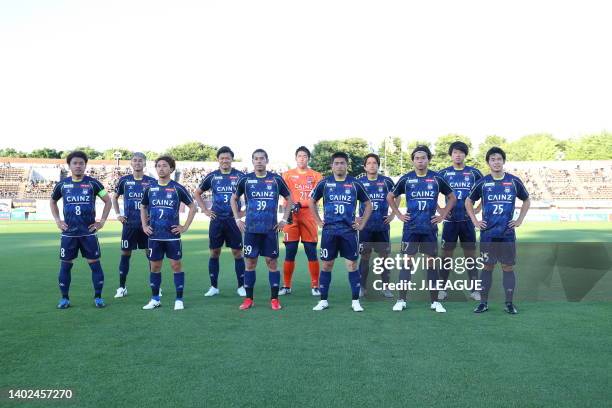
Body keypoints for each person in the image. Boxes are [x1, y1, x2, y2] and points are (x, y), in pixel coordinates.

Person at [387, 145, 456, 313]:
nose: (420, 161)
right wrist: (398, 214)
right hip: (410, 228)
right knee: (407, 263)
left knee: (431, 264)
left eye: (423, 158)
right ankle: (401, 299)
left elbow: (452, 197)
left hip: (429, 229)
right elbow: (391, 196)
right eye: (417, 158)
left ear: (428, 160)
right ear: (413, 161)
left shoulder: (436, 178)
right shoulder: (406, 179)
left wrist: (442, 215)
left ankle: (435, 302)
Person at [465, 147, 531, 314]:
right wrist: (475, 221)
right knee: (487, 267)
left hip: (507, 234)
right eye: (492, 159)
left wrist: (520, 220)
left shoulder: (513, 181)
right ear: (488, 163)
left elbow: (526, 200)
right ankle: (483, 303)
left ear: (503, 161)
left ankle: (509, 303)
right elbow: (468, 202)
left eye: (499, 159)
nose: (496, 162)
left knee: (507, 268)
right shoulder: (483, 182)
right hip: (488, 235)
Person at [309, 152, 372, 312]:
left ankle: (355, 301)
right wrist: (318, 221)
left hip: (348, 233)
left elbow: (368, 204)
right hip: (329, 232)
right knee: (327, 264)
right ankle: (323, 300)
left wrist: (362, 223)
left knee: (352, 265)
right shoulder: (325, 183)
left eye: (342, 163)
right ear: (332, 166)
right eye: (336, 163)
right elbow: (311, 201)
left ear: (347, 165)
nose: (339, 166)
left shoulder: (355, 183)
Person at [230, 149, 293, 310]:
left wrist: (284, 219)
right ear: (252, 161)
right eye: (256, 159)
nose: (259, 161)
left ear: (266, 160)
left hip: (270, 230)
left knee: (272, 263)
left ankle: (274, 299)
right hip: (251, 230)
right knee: (250, 263)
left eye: (261, 158)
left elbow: (289, 197)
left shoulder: (276, 179)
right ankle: (249, 299)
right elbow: (234, 198)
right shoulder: (246, 180)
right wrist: (237, 219)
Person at [50, 150, 112, 309]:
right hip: (69, 234)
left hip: (88, 233)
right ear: (69, 166)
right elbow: (52, 202)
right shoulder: (62, 184)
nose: (78, 166)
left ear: (85, 165)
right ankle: (64, 298)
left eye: (81, 163)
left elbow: (108, 201)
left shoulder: (94, 183)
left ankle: (98, 297)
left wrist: (101, 222)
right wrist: (58, 220)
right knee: (65, 266)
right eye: (75, 163)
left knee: (95, 265)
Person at [140, 156, 197, 311]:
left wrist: (184, 227)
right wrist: (145, 225)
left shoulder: (177, 188)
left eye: (165, 166)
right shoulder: (150, 188)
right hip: (154, 236)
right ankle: (155, 299)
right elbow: (143, 207)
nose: (161, 168)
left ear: (171, 169)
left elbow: (193, 207)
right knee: (155, 267)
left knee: (176, 265)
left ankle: (179, 299)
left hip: (172, 236)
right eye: (158, 166)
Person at [194, 146, 246, 297]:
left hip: (233, 220)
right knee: (214, 252)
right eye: (222, 158)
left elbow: (250, 195)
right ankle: (214, 287)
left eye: (227, 158)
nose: (225, 160)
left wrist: (244, 212)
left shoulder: (240, 176)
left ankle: (241, 286)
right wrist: (205, 209)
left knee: (237, 252)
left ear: (231, 159)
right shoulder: (212, 177)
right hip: (216, 220)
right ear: (218, 160)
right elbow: (197, 193)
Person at [437, 141, 483, 301]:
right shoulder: (443, 173)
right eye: (455, 152)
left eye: (461, 152)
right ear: (451, 155)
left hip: (467, 222)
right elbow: (432, 194)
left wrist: (477, 210)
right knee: (446, 256)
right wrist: (440, 210)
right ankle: (442, 289)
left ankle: (475, 290)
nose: (458, 155)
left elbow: (485, 192)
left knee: (470, 256)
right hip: (450, 222)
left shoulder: (474, 173)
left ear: (465, 155)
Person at [111, 152, 156, 298]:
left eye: (140, 161)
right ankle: (122, 287)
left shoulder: (151, 181)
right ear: (131, 163)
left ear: (144, 163)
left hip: (147, 226)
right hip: (129, 224)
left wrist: (153, 214)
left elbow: (156, 200)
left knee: (151, 255)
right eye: (135, 161)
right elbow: (114, 197)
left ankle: (156, 287)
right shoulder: (124, 181)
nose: (137, 163)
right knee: (125, 254)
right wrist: (118, 214)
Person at [279, 146, 323, 296]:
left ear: (308, 158)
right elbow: (284, 195)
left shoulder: (317, 176)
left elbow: (316, 197)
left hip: (309, 217)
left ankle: (315, 286)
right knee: (290, 251)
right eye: (299, 156)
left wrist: (301, 204)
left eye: (305, 156)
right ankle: (286, 286)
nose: (302, 158)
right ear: (295, 158)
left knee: (311, 251)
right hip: (291, 217)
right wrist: (290, 208)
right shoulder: (286, 175)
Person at [356, 153, 396, 298]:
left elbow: (397, 196)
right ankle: (362, 287)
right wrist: (356, 217)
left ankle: (386, 287)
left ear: (378, 165)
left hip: (382, 227)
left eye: (375, 163)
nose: (372, 165)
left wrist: (393, 215)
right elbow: (351, 199)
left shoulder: (387, 181)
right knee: (365, 258)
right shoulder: (359, 182)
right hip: (365, 227)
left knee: (384, 258)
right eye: (369, 163)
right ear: (365, 166)